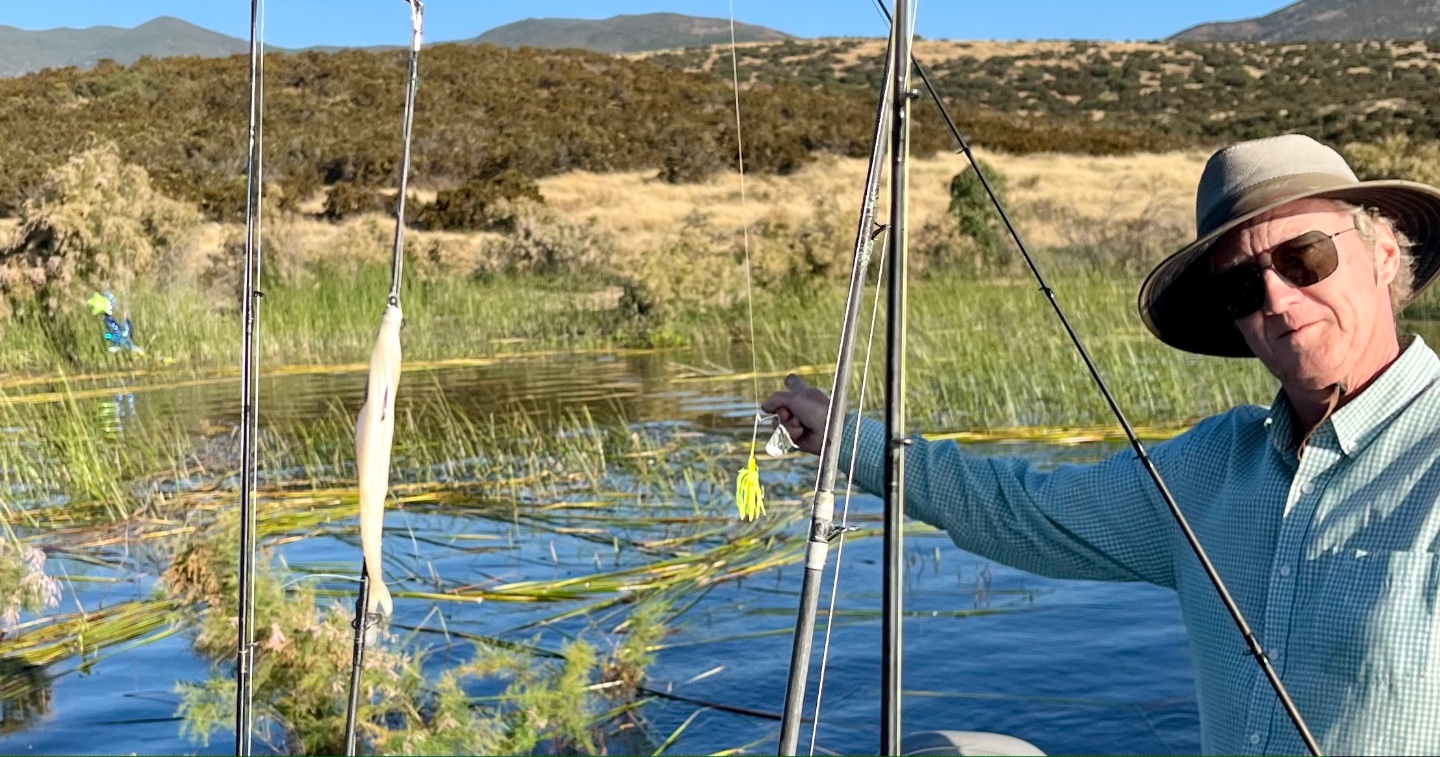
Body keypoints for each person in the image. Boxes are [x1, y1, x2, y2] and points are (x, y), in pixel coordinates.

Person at [762, 134, 1440, 756]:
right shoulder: (1212, 465)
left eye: (1304, 257)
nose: (1278, 298)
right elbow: (1017, 509)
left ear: (1383, 253)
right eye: (1241, 284)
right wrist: (845, 437)